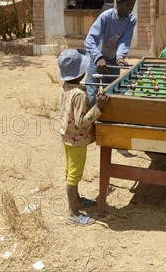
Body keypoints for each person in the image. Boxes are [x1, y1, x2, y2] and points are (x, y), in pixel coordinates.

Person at [57, 48, 109, 226]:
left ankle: (77, 200)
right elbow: (81, 121)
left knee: (69, 171)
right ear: (81, 72)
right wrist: (98, 107)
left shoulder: (66, 87)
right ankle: (72, 213)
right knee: (74, 175)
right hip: (77, 139)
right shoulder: (79, 95)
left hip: (67, 136)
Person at [84, 0, 137, 104]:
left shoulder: (131, 20)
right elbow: (90, 39)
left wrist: (120, 57)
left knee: (112, 91)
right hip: (97, 58)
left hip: (113, 59)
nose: (131, 8)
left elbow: (124, 41)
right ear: (119, 3)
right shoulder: (106, 16)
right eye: (128, 4)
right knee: (92, 93)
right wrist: (98, 57)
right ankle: (89, 121)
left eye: (133, 4)